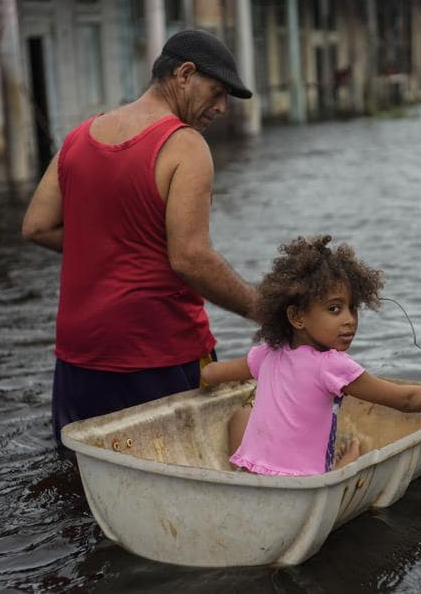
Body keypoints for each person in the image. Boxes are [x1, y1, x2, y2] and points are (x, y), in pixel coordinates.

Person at [21, 29, 257, 447]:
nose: (222, 107)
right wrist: (266, 311)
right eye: (217, 91)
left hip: (80, 355)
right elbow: (190, 258)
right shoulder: (185, 145)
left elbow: (36, 226)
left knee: (85, 479)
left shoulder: (79, 136)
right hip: (157, 352)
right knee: (181, 474)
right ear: (184, 74)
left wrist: (111, 242)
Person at [201, 235, 421, 476]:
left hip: (253, 476)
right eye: (335, 309)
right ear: (296, 316)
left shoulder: (269, 353)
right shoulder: (332, 366)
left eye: (353, 308)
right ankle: (349, 459)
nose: (350, 320)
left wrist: (217, 379)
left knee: (241, 414)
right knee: (332, 457)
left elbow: (211, 374)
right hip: (303, 484)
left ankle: (236, 473)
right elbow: (405, 399)